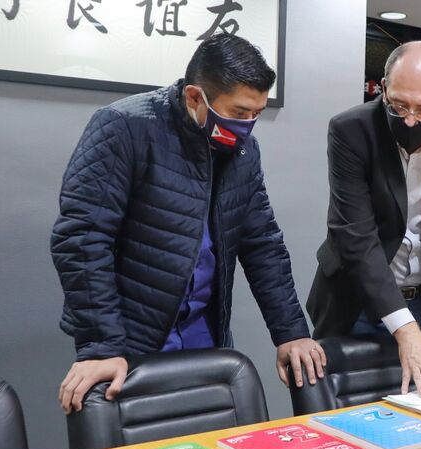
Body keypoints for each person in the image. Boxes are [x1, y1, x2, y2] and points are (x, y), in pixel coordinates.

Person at [51, 34, 324, 414]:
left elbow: (262, 243)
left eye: (256, 114)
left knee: (208, 441)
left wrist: (290, 332)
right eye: (239, 113)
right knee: (143, 444)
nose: (248, 126)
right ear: (195, 97)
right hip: (131, 336)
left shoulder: (243, 152)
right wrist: (102, 345)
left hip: (204, 332)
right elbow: (82, 238)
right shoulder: (124, 127)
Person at [307, 41, 421, 399]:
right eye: (398, 105)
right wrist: (405, 329)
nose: (409, 120)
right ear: (383, 88)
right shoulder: (351, 130)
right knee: (349, 413)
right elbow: (355, 236)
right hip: (357, 300)